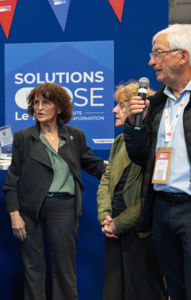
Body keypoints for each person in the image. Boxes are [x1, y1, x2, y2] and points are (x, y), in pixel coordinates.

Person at [3, 83, 106, 300]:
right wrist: (15, 215)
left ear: (59, 108)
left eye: (46, 102)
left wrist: (119, 176)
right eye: (36, 103)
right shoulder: (23, 137)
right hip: (29, 212)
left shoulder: (75, 136)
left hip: (64, 209)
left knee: (64, 270)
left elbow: (93, 164)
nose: (39, 107)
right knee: (33, 269)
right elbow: (12, 180)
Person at [124, 24, 191, 300]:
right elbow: (141, 158)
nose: (151, 62)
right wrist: (133, 125)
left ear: (182, 56)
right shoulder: (156, 103)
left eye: (158, 54)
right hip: (162, 208)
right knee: (173, 288)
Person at [97, 82, 166, 300]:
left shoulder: (155, 142)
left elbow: (151, 195)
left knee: (143, 290)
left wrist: (121, 222)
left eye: (121, 105)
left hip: (140, 232)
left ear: (138, 109)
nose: (114, 110)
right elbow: (106, 181)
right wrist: (105, 217)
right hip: (113, 229)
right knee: (114, 291)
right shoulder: (119, 141)